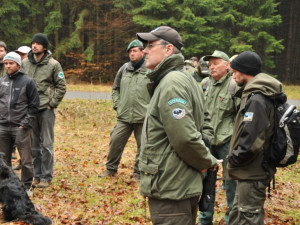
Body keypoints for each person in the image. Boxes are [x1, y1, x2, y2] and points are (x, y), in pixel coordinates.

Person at [136, 26, 221, 225]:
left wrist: (204, 162)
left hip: (171, 187)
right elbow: (206, 125)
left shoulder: (172, 82)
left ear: (168, 49)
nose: (144, 51)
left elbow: (185, 137)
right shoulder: (185, 79)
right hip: (178, 182)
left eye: (150, 45)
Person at [226, 51, 282, 225]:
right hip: (247, 171)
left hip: (253, 171)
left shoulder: (257, 99)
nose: (233, 74)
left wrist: (233, 159)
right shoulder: (253, 95)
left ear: (244, 71)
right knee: (238, 216)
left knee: (248, 218)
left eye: (235, 71)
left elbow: (252, 141)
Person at [98, 39, 151, 180]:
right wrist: (117, 104)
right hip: (124, 116)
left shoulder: (150, 69)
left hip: (143, 117)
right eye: (130, 52)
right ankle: (110, 170)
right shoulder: (124, 69)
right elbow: (115, 89)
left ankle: (138, 174)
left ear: (142, 52)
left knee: (143, 147)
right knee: (115, 141)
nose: (131, 54)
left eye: (134, 51)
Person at [198, 50, 239, 225]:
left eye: (216, 63)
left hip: (227, 142)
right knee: (205, 182)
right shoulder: (205, 83)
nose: (212, 67)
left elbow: (241, 116)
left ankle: (233, 219)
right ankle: (205, 219)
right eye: (210, 64)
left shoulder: (234, 85)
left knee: (231, 183)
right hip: (206, 142)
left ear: (227, 65)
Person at [22, 33, 66, 188]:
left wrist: (52, 104)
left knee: (46, 145)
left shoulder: (53, 64)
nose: (34, 46)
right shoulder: (25, 63)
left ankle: (47, 176)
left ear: (44, 47)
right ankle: (37, 175)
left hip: (46, 110)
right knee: (34, 146)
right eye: (33, 43)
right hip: (30, 110)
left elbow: (61, 86)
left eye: (38, 44)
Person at [0, 52, 39, 190]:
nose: (8, 66)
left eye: (11, 63)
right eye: (6, 63)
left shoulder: (28, 81)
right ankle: (6, 187)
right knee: (3, 161)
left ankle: (27, 186)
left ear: (18, 64)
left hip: (20, 127)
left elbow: (35, 105)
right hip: (3, 127)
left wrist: (25, 123)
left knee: (26, 160)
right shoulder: (2, 81)